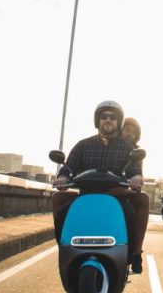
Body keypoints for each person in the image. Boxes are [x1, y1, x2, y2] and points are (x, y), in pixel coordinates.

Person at [51, 100, 150, 274]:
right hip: (85, 196)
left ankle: (134, 253)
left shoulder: (128, 148)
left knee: (131, 216)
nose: (108, 120)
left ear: (118, 121)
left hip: (116, 198)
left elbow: (135, 171)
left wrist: (136, 178)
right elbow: (68, 167)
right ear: (98, 120)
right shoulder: (83, 145)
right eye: (104, 116)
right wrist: (62, 177)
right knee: (58, 202)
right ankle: (64, 249)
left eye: (113, 117)